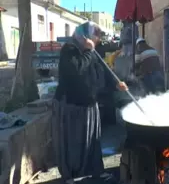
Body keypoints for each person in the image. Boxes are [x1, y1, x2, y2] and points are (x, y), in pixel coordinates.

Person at [52, 21, 128, 184]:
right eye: (96, 36)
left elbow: (102, 69)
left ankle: (95, 172)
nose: (98, 40)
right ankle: (72, 176)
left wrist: (116, 83)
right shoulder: (70, 50)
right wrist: (88, 50)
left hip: (89, 104)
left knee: (92, 142)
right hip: (72, 107)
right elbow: (77, 70)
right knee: (74, 144)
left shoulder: (92, 50)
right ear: (85, 35)